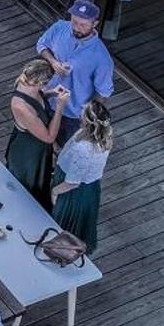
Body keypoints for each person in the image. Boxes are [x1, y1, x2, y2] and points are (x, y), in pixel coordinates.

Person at [36, 0, 114, 146]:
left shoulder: (101, 57)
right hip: (46, 98)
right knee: (39, 143)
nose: (77, 27)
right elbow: (41, 44)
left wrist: (87, 117)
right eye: (74, 22)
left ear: (95, 24)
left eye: (83, 25)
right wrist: (53, 61)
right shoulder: (60, 27)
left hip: (72, 115)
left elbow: (103, 92)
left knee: (66, 153)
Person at [51, 99, 112, 252]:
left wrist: (54, 191)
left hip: (73, 193)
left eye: (82, 112)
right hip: (86, 187)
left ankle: (63, 250)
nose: (79, 112)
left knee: (64, 224)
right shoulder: (99, 136)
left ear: (86, 121)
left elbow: (73, 182)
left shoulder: (83, 149)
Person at [4, 59, 63, 209]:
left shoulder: (30, 85)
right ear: (40, 82)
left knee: (40, 185)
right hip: (28, 154)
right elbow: (49, 137)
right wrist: (60, 107)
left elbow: (38, 97)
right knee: (28, 191)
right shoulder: (21, 106)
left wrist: (51, 94)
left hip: (37, 150)